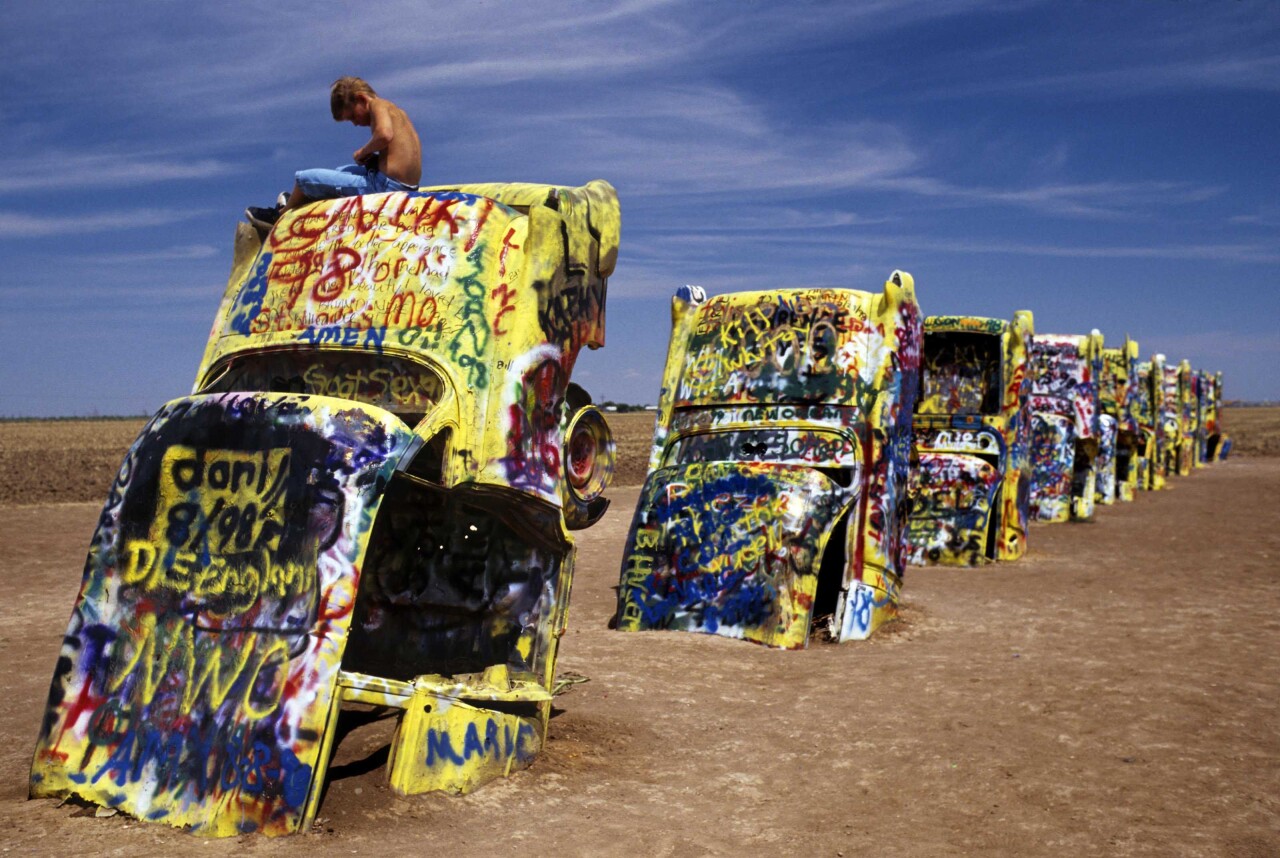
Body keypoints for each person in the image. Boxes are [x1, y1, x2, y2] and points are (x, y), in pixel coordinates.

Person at [246, 77, 422, 230]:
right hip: (405, 184)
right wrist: (375, 159)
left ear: (361, 98)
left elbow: (384, 135)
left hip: (385, 186)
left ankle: (280, 216)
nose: (355, 123)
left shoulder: (377, 105)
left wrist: (363, 151)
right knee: (342, 170)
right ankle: (302, 199)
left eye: (353, 116)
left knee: (304, 180)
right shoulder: (397, 111)